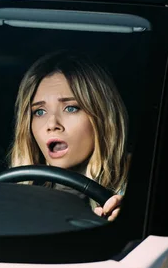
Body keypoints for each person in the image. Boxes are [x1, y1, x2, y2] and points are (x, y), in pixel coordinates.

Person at [9, 50, 128, 221]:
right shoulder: (13, 196)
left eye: (71, 108)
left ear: (102, 116)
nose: (51, 125)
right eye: (40, 111)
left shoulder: (141, 189)